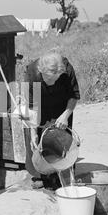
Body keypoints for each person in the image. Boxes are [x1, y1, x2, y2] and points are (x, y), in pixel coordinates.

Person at [22, 49, 80, 189]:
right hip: (39, 105)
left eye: (55, 79)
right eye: (48, 80)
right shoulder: (31, 74)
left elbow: (74, 95)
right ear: (41, 72)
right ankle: (40, 175)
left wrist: (65, 115)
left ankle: (60, 173)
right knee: (36, 142)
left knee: (61, 139)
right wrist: (33, 133)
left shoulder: (67, 70)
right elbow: (32, 107)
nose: (51, 83)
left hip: (61, 106)